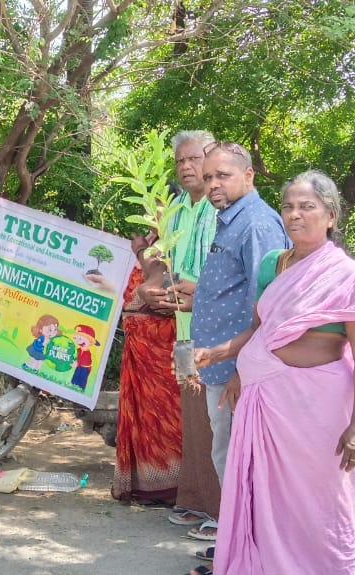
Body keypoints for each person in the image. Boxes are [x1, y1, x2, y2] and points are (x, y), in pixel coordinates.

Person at [190, 171, 355, 575]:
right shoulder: (273, 264)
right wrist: (221, 355)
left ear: (331, 215)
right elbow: (259, 329)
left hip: (319, 407)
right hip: (265, 400)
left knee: (322, 502)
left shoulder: (350, 278)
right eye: (288, 206)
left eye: (307, 207)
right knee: (266, 496)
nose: (295, 215)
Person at [180, 141, 290, 545]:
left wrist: (244, 369)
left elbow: (263, 304)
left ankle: (246, 548)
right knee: (227, 455)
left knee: (239, 460)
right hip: (220, 364)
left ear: (249, 176)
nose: (211, 185)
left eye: (221, 175)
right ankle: (239, 545)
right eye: (208, 177)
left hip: (238, 370)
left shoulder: (258, 224)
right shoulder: (230, 219)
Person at [135, 130, 221, 530]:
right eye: (180, 161)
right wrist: (159, 292)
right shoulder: (182, 211)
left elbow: (235, 278)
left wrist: (192, 291)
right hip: (185, 327)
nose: (187, 167)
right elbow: (174, 270)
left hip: (219, 331)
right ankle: (198, 501)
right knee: (195, 422)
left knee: (218, 424)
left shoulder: (224, 209)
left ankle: (225, 512)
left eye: (195, 159)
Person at [111, 233, 181, 505]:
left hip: (164, 355)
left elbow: (160, 292)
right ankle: (145, 484)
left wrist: (142, 250)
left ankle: (172, 486)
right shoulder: (142, 251)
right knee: (141, 417)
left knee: (166, 419)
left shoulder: (175, 249)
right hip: (138, 354)